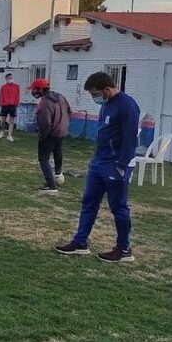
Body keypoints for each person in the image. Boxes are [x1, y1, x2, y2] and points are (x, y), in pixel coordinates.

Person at [56, 72, 141, 262]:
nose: (94, 98)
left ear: (107, 89)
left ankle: (124, 249)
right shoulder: (106, 105)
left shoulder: (127, 105)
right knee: (89, 202)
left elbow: (130, 138)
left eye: (95, 94)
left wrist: (121, 165)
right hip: (99, 162)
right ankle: (80, 242)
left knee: (118, 207)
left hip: (117, 164)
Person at [30, 78, 71, 194]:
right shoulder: (61, 97)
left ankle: (51, 186)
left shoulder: (45, 102)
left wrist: (42, 135)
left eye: (34, 89)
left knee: (43, 158)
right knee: (58, 151)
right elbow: (69, 111)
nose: (33, 92)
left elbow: (45, 122)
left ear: (40, 89)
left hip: (51, 133)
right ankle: (58, 174)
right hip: (62, 131)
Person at [0, 73, 21, 141]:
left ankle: (9, 135)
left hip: (13, 105)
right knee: (2, 121)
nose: (10, 79)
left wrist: (16, 103)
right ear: (6, 79)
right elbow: (1, 95)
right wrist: (1, 103)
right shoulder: (3, 87)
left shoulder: (17, 86)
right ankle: (2, 131)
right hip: (5, 105)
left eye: (11, 77)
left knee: (11, 121)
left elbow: (18, 95)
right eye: (9, 78)